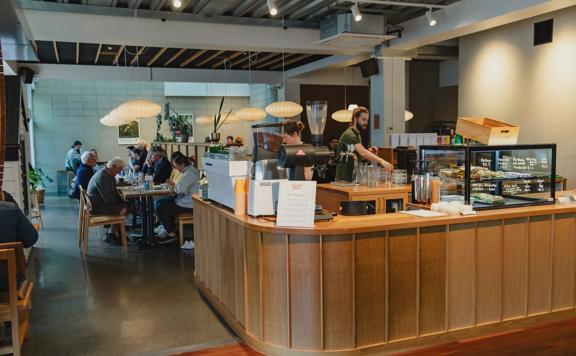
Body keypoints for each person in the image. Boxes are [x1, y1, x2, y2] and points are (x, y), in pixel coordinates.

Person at [335, 107, 393, 182]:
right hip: (344, 179)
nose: (366, 123)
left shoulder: (357, 135)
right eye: (363, 119)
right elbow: (362, 152)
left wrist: (369, 152)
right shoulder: (350, 134)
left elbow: (359, 156)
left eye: (367, 120)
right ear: (355, 119)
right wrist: (382, 161)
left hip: (352, 178)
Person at [155, 154, 200, 246]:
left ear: (182, 164)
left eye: (176, 166)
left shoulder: (190, 173)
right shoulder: (189, 171)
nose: (177, 169)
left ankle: (172, 235)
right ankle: (169, 229)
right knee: (160, 203)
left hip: (190, 203)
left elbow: (181, 189)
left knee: (162, 208)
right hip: (186, 200)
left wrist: (173, 186)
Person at [86, 157, 127, 243]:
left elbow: (113, 193)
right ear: (113, 166)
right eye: (119, 169)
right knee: (124, 209)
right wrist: (122, 204)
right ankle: (111, 234)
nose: (119, 172)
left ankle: (118, 233)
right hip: (96, 207)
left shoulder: (108, 174)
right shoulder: (103, 177)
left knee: (126, 205)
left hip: (100, 203)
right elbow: (108, 198)